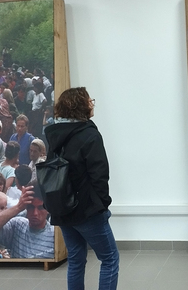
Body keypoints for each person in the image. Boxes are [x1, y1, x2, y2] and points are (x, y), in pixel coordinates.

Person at [44, 87, 119, 290]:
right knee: (110, 258)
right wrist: (102, 206)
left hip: (63, 208)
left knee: (76, 260)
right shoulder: (89, 135)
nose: (91, 103)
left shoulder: (54, 135)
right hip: (87, 210)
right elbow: (100, 175)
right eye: (89, 100)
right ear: (80, 105)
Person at [0, 182, 54, 259]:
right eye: (31, 207)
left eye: (40, 208)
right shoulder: (17, 225)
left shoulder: (55, 235)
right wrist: (18, 207)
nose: (35, 213)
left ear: (48, 209)